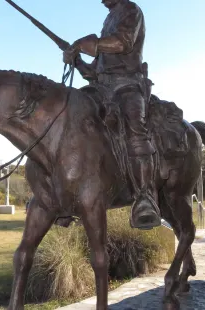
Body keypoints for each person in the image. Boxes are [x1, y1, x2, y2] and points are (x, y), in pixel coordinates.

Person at [62, 0, 161, 230]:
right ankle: (66, 193)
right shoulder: (108, 20)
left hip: (128, 85)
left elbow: (122, 43)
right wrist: (77, 60)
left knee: (135, 129)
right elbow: (93, 72)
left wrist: (89, 43)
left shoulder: (131, 10)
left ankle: (144, 197)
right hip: (103, 87)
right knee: (73, 118)